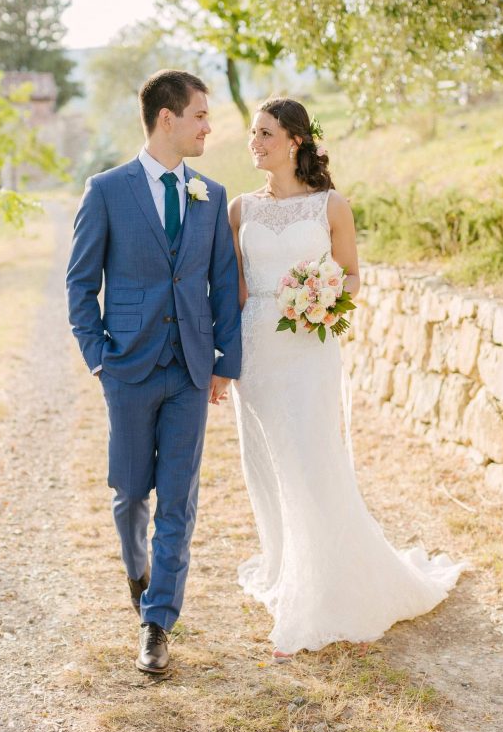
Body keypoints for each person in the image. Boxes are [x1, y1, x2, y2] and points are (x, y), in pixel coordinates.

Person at [228, 97, 465, 660]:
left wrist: (322, 298)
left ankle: (327, 593)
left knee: (313, 461)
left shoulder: (331, 206)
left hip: (309, 346)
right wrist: (227, 359)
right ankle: (290, 571)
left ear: (295, 141)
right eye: (252, 134)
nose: (253, 143)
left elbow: (354, 275)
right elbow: (235, 292)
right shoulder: (238, 210)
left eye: (264, 133)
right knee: (270, 467)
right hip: (257, 350)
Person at [66, 70, 241, 674]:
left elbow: (225, 288)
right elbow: (81, 284)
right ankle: (137, 571)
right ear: (166, 118)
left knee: (180, 501)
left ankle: (158, 622)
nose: (208, 127)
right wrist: (99, 358)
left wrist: (226, 362)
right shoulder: (107, 191)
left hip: (191, 369)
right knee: (130, 491)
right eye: (199, 116)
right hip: (129, 368)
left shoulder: (211, 196)